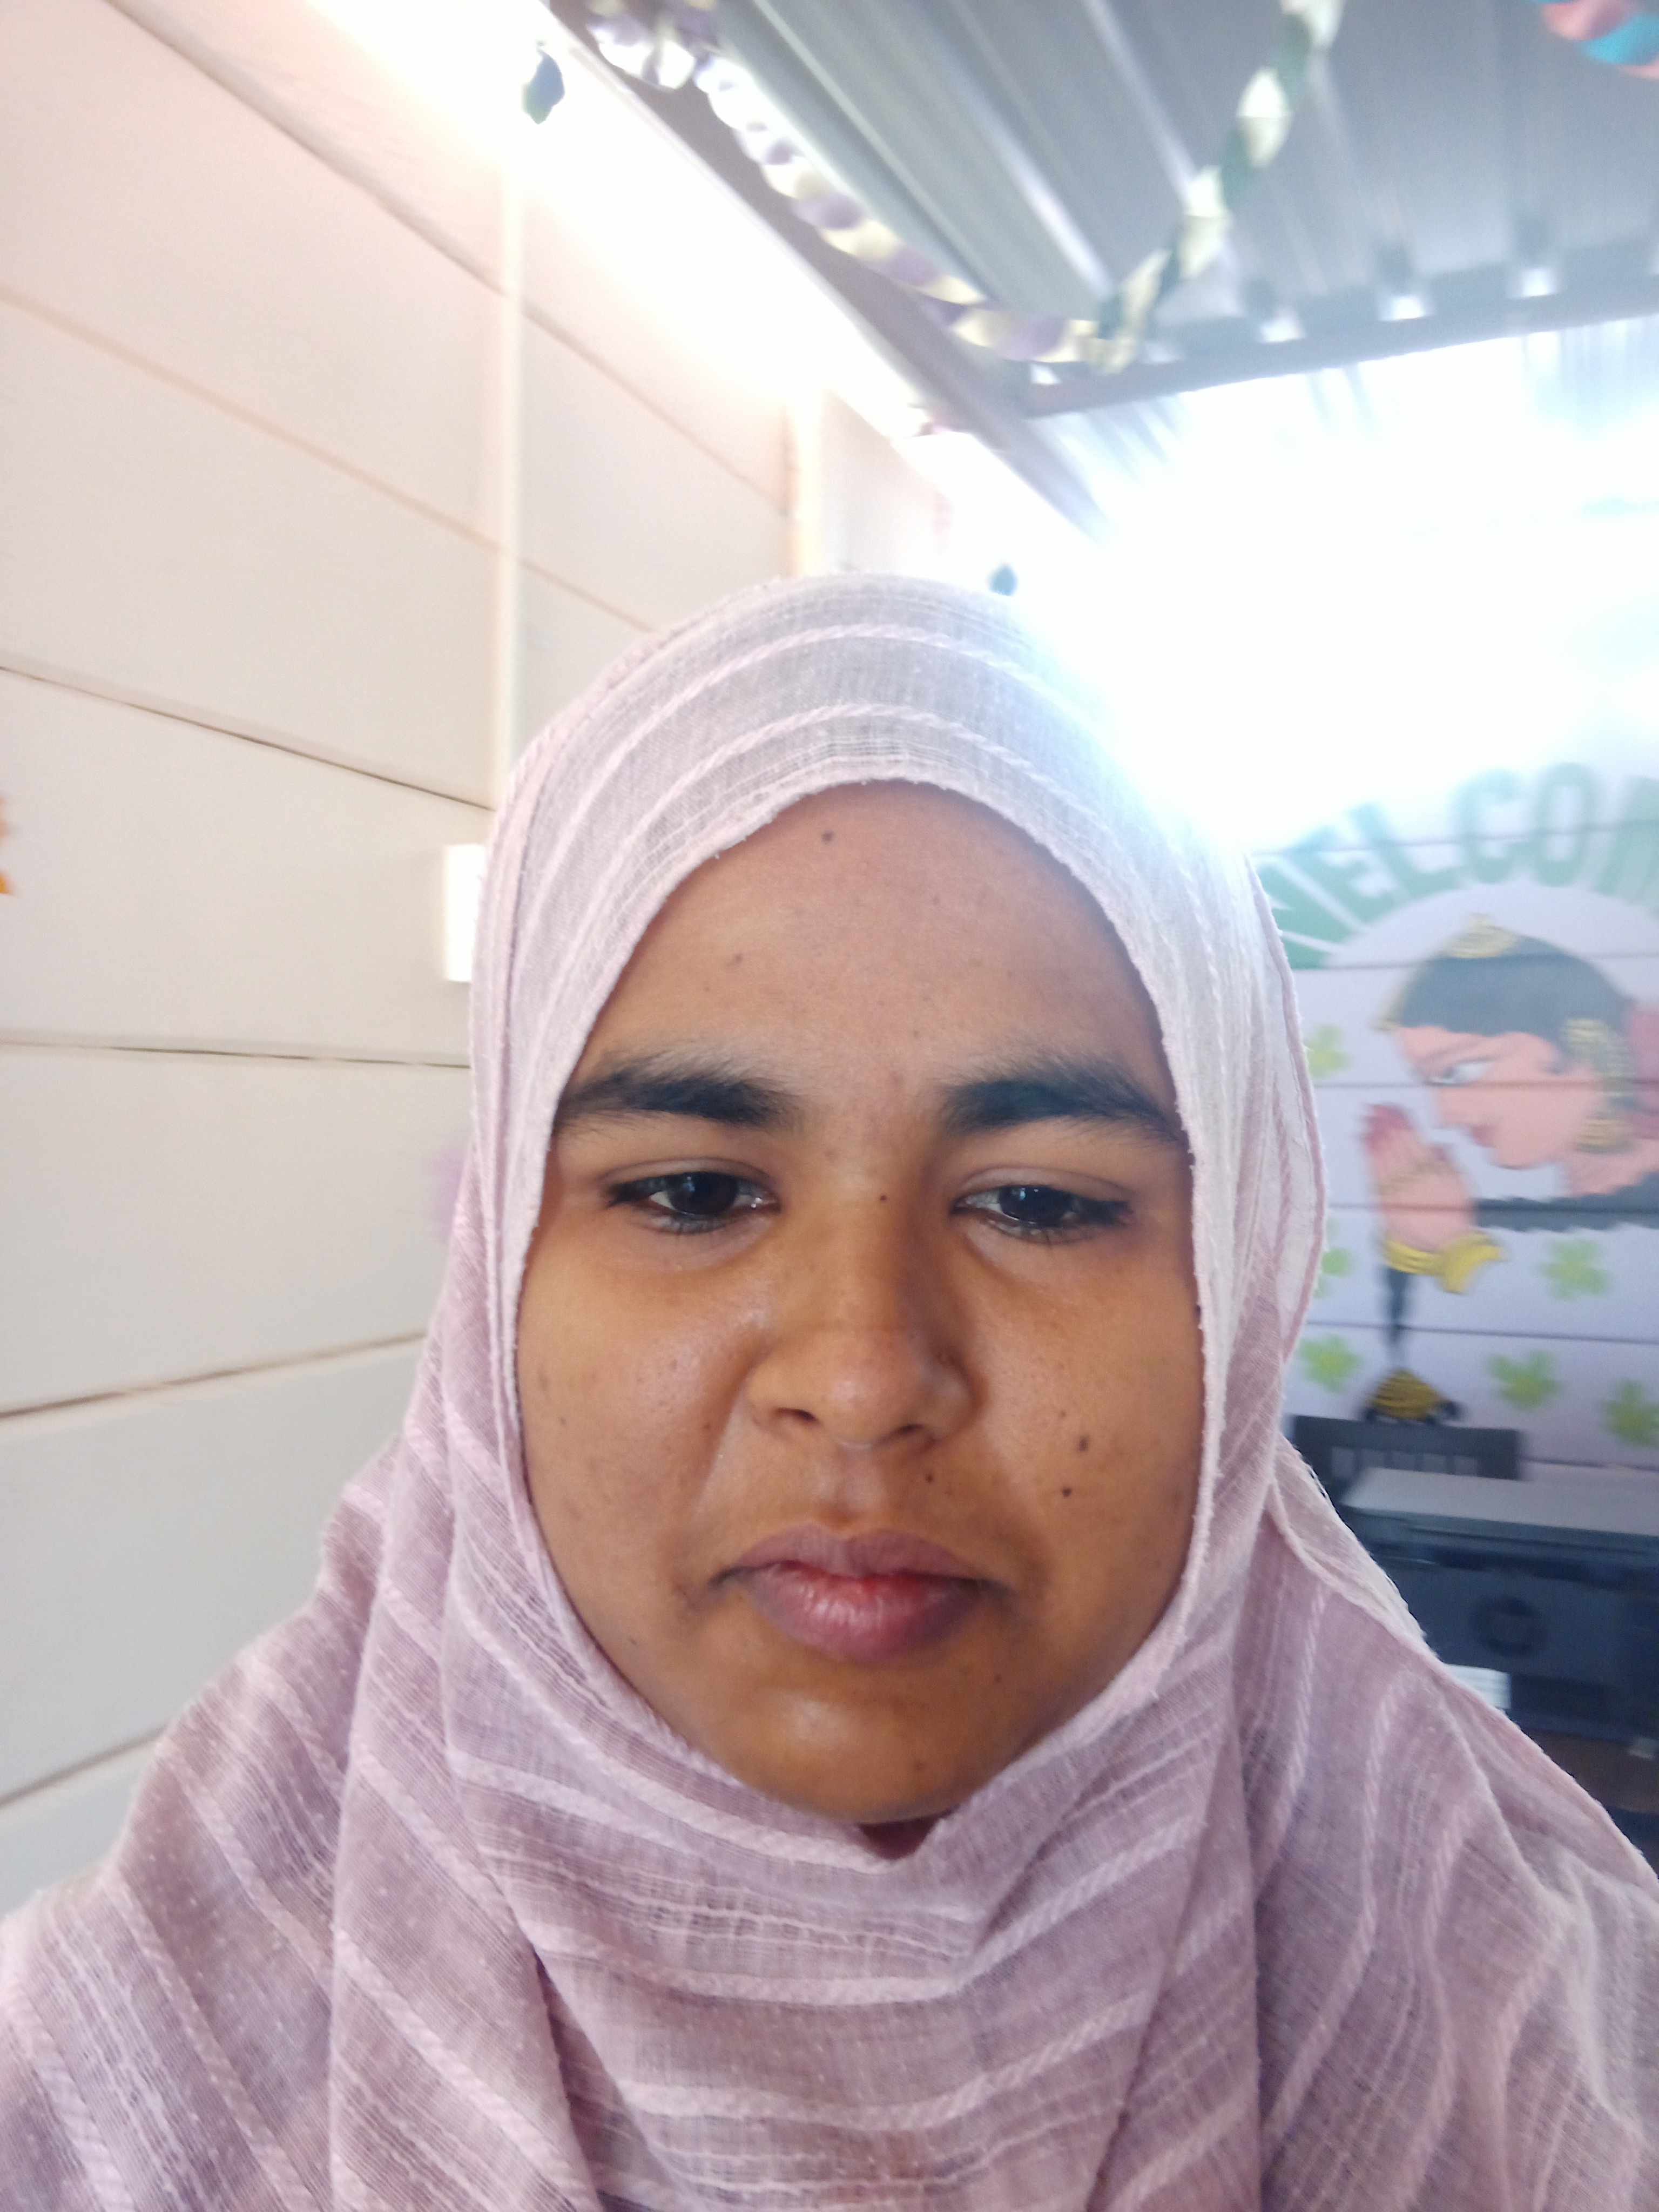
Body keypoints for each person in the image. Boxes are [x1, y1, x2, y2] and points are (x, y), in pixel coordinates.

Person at [3, 575, 1657, 2208]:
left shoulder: (1559, 2062)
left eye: (1039, 1202)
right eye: (693, 1192)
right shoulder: (102, 2101)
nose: (862, 1383)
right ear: (494, 1281)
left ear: (1241, 1283)